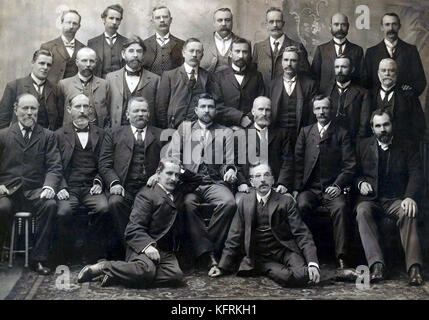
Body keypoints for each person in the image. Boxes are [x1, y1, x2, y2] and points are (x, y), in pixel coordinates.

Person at [77, 158, 201, 288]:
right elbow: (133, 228)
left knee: (176, 276)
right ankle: (102, 267)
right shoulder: (146, 195)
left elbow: (197, 180)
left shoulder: (178, 191)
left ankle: (117, 276)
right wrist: (147, 247)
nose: (174, 178)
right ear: (158, 173)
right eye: (169, 173)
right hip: (141, 247)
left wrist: (179, 168)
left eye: (177, 175)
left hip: (164, 251)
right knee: (146, 270)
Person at [209, 163, 320, 287]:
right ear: (251, 182)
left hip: (283, 251)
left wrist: (312, 263)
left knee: (303, 275)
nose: (262, 180)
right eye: (257, 176)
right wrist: (222, 267)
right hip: (259, 254)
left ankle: (262, 268)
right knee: (287, 277)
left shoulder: (286, 201)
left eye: (266, 175)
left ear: (273, 180)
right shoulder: (244, 202)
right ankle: (265, 266)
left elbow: (301, 233)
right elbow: (234, 236)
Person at [167, 93, 237, 271]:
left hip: (213, 182)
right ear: (196, 110)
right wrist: (183, 174)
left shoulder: (226, 132)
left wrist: (229, 171)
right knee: (188, 204)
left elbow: (228, 162)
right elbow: (174, 157)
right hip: (190, 184)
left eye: (210, 107)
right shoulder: (184, 129)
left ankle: (205, 250)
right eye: (203, 107)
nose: (207, 110)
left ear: (215, 110)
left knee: (228, 203)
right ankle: (209, 255)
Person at [355, 109, 424, 285]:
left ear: (392, 125)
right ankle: (377, 265)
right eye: (378, 126)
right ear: (372, 128)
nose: (382, 129)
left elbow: (416, 173)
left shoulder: (407, 146)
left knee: (408, 211)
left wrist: (409, 197)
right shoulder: (363, 146)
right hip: (372, 200)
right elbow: (355, 173)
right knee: (362, 211)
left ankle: (414, 268)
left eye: (386, 124)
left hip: (396, 199)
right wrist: (360, 183)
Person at [0, 93, 62, 275]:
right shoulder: (3, 135)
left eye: (33, 109)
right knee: (1, 208)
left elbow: (54, 166)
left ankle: (38, 259)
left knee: (50, 205)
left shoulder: (47, 136)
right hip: (8, 191)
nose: (29, 113)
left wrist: (49, 187)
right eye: (25, 108)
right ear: (15, 110)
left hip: (35, 191)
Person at [294, 95, 356, 269]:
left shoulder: (341, 133)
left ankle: (341, 257)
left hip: (332, 189)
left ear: (331, 110)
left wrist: (337, 185)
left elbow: (349, 166)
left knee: (341, 207)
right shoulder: (306, 132)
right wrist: (297, 189)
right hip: (310, 189)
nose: (322, 112)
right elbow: (298, 163)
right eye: (318, 108)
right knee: (302, 205)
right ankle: (308, 253)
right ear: (313, 111)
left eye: (325, 108)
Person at [98, 96, 164, 257]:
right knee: (114, 202)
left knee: (161, 203)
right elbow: (105, 163)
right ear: (127, 114)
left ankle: (151, 248)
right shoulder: (113, 134)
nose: (140, 114)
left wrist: (158, 174)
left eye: (144, 111)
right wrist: (114, 183)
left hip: (149, 188)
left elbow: (169, 160)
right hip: (124, 187)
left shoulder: (161, 134)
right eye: (136, 111)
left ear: (149, 114)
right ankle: (133, 249)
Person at [55, 94, 109, 263]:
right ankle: (67, 253)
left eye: (86, 107)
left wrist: (99, 182)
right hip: (68, 187)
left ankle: (94, 252)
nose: (82, 111)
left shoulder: (101, 134)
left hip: (91, 188)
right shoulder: (58, 135)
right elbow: (55, 165)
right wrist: (61, 186)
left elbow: (106, 163)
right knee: (63, 211)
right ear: (69, 110)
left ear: (91, 110)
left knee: (103, 208)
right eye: (78, 107)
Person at [235, 96, 293, 195]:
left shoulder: (281, 134)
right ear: (253, 112)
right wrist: (242, 182)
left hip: (275, 187)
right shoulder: (241, 135)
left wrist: (282, 183)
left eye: (268, 110)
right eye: (260, 109)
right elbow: (236, 162)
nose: (264, 114)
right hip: (249, 188)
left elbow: (288, 160)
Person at [157, 38, 219, 129]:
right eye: (191, 51)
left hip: (201, 130)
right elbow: (161, 108)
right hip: (174, 129)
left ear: (202, 55)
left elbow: (215, 105)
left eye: (198, 52)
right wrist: (166, 130)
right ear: (183, 53)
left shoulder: (208, 77)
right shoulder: (169, 76)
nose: (194, 55)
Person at [363, 13, 426, 97]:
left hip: (405, 104)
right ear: (382, 27)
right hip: (378, 104)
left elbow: (420, 81)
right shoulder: (371, 52)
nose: (391, 28)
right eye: (387, 25)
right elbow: (366, 82)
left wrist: (408, 95)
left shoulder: (411, 50)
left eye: (394, 24)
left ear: (399, 26)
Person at [266, 46, 317, 149]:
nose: (289, 64)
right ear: (281, 62)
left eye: (293, 60)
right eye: (286, 60)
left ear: (299, 63)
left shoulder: (309, 85)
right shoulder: (272, 85)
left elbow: (312, 116)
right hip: (277, 137)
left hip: (300, 136)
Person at [106, 36, 160, 128]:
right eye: (131, 51)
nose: (135, 55)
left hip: (144, 133)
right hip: (117, 131)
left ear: (143, 55)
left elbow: (158, 111)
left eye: (139, 51)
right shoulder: (110, 78)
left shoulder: (155, 79)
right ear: (123, 54)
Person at [0, 49, 60, 130]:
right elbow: (3, 120)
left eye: (48, 65)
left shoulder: (56, 89)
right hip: (20, 140)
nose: (45, 67)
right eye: (42, 63)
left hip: (47, 140)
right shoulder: (14, 86)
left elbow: (59, 121)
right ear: (33, 63)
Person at [370, 58, 426, 145]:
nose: (387, 74)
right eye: (383, 70)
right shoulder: (370, 95)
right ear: (378, 73)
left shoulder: (408, 95)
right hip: (376, 146)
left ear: (396, 74)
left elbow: (419, 125)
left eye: (391, 70)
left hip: (402, 146)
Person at [214, 38, 264, 128]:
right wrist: (240, 118)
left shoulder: (257, 76)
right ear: (230, 53)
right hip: (225, 128)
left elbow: (261, 103)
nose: (241, 56)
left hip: (251, 126)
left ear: (249, 54)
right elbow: (217, 106)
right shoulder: (218, 77)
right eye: (237, 51)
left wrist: (248, 119)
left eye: (245, 52)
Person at [253, 7, 311, 86]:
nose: (275, 25)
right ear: (266, 25)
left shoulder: (297, 46)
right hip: (264, 95)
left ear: (283, 24)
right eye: (271, 22)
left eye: (278, 21)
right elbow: (253, 76)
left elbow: (306, 77)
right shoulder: (258, 48)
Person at [323, 55, 371, 144]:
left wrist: (356, 143)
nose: (339, 71)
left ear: (352, 69)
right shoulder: (325, 91)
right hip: (329, 142)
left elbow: (364, 125)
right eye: (337, 67)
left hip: (353, 141)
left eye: (344, 67)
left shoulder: (363, 93)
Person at [57, 47, 110, 128]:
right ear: (77, 62)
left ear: (95, 63)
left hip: (98, 134)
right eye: (84, 61)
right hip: (71, 135)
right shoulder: (64, 84)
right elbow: (59, 114)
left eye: (91, 61)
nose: (88, 64)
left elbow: (108, 113)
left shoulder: (104, 84)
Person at [311, 13, 364, 93]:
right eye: (336, 24)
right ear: (330, 27)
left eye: (343, 25)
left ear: (348, 27)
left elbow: (362, 78)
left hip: (350, 100)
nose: (340, 28)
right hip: (326, 98)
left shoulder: (357, 50)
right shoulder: (321, 50)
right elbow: (314, 77)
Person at [41, 10, 85, 84]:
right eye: (68, 22)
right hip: (52, 91)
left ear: (79, 27)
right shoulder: (47, 47)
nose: (71, 26)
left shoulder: (84, 49)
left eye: (75, 23)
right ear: (61, 23)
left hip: (75, 92)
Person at [87, 4, 128, 78]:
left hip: (120, 85)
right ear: (103, 19)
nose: (114, 22)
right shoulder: (92, 43)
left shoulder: (127, 42)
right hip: (99, 85)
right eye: (111, 18)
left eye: (117, 19)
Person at [142, 5, 185, 76]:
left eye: (165, 17)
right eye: (158, 18)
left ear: (170, 20)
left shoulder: (182, 45)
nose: (162, 20)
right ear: (152, 21)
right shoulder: (144, 45)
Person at [200, 7, 245, 74]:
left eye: (227, 20)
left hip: (233, 84)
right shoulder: (201, 43)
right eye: (220, 20)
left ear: (232, 22)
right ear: (214, 23)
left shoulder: (244, 44)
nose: (224, 24)